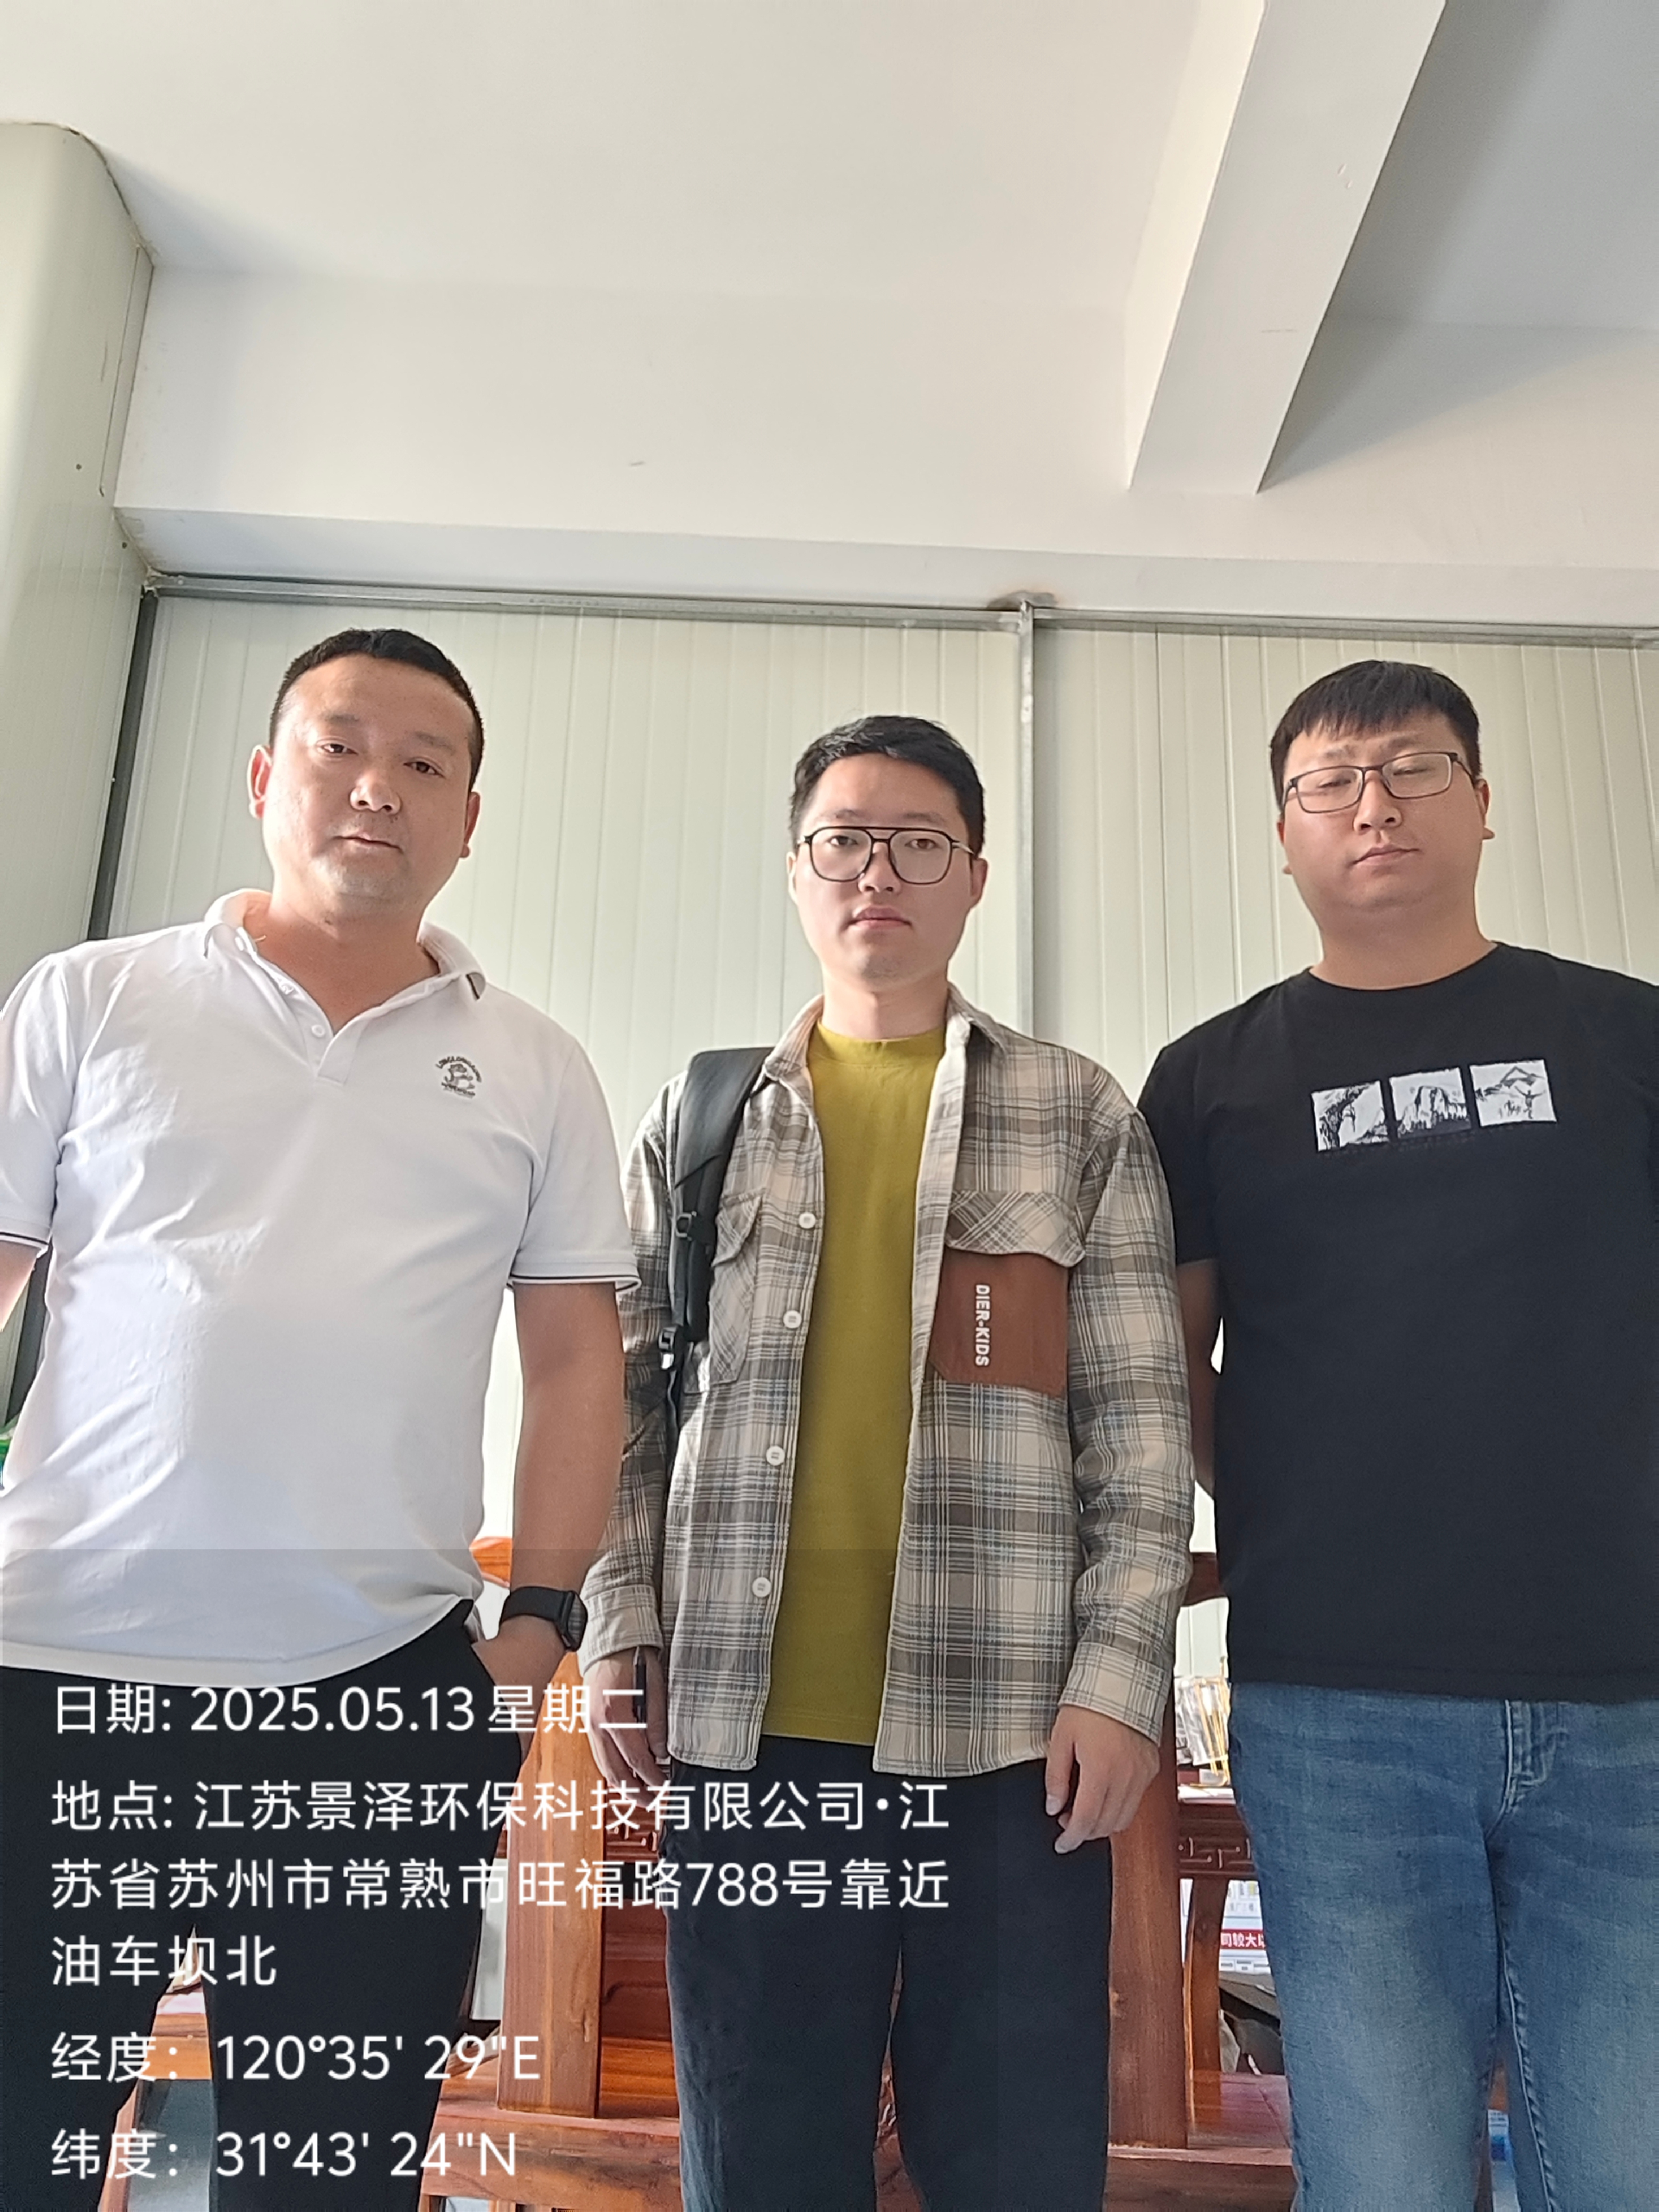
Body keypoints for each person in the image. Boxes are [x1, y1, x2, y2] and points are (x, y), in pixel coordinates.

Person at [0, 627, 634, 2211]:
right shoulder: (91, 999)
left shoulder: (535, 1066)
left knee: (327, 2172)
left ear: (469, 819)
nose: (377, 788)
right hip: (56, 1670)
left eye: (425, 764)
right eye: (339, 746)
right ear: (264, 778)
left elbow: (577, 1361)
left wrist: (539, 1629)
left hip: (378, 1692)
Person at [582, 713, 1193, 2212]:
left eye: (920, 843)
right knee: (764, 2150)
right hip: (747, 1727)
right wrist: (615, 1619)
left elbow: (1138, 1422)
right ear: (797, 873)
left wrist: (1120, 1680)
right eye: (844, 841)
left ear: (975, 875)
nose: (879, 873)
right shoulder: (703, 1116)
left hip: (1007, 1737)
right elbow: (624, 1402)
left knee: (1012, 2156)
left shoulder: (1076, 1112)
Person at [1138, 659, 1659, 2212]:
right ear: (1284, 834)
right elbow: (1168, 1366)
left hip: (1627, 1693)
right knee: (1384, 2177)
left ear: (1482, 803)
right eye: (1330, 781)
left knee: (1625, 2165)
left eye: (1415, 767)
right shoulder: (1210, 1079)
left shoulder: (1625, 1036)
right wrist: (1308, 1499)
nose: (1374, 805)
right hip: (1339, 1702)